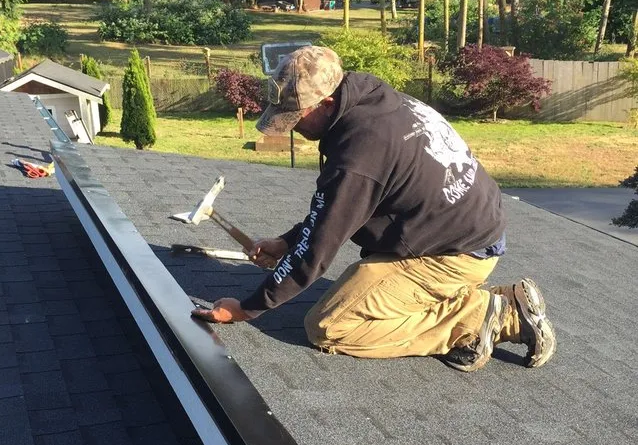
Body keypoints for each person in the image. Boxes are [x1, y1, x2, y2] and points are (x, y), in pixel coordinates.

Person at [191, 46, 555, 372]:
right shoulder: (375, 99)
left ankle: (486, 316)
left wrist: (247, 308)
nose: (292, 126)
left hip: (453, 253)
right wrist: (288, 242)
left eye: (296, 116)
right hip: (467, 230)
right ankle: (488, 300)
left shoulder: (360, 150)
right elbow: (340, 211)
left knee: (330, 325)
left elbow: (318, 252)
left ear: (328, 102)